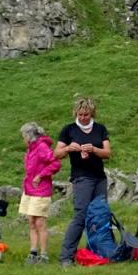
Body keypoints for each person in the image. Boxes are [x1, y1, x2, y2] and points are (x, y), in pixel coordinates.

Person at [54, 97, 112, 266]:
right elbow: (56, 154)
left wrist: (94, 149)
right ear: (75, 113)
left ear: (92, 113)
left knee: (100, 214)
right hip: (81, 177)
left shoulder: (100, 129)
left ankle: (98, 251)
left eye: (86, 114)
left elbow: (107, 153)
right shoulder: (69, 130)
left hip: (99, 177)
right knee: (81, 215)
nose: (83, 117)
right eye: (80, 114)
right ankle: (66, 256)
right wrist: (67, 148)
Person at [20, 123, 61, 265]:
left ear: (28, 136)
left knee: (40, 222)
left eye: (23, 136)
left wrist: (41, 175)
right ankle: (33, 252)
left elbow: (55, 164)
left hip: (41, 189)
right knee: (31, 222)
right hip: (30, 189)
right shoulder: (31, 148)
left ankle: (44, 254)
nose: (22, 139)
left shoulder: (41, 147)